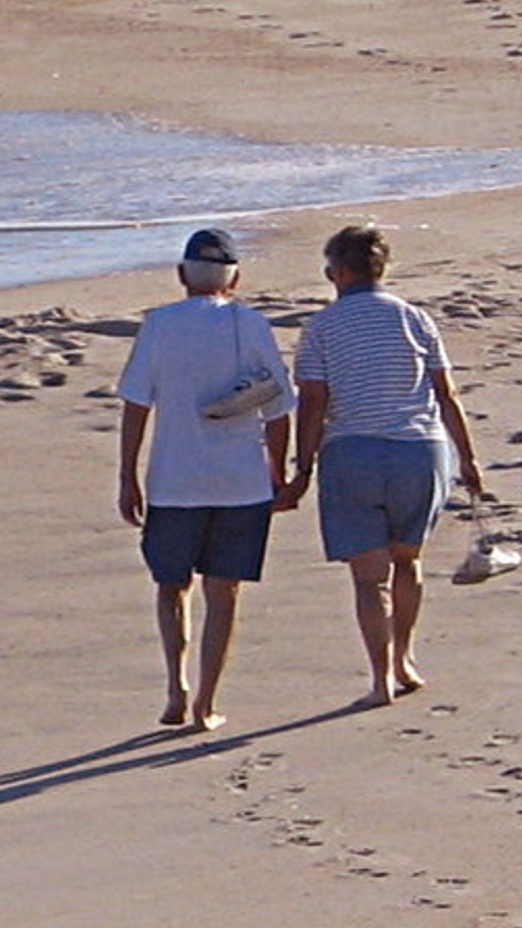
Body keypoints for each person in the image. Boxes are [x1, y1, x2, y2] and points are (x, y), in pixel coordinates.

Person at [277, 225, 484, 707]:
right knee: (407, 561)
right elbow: (445, 394)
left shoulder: (322, 328)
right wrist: (468, 458)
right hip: (419, 450)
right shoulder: (415, 319)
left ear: (340, 273)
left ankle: (379, 680)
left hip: (353, 452)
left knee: (370, 577)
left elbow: (312, 401)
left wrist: (302, 468)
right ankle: (404, 658)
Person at [117, 228, 296, 732]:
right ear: (235, 278)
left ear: (181, 276)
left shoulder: (159, 325)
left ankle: (177, 686)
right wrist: (278, 474)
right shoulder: (252, 324)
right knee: (224, 591)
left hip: (174, 481)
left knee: (171, 585)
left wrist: (127, 476)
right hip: (241, 483)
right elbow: (279, 410)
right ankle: (206, 703)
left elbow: (136, 405)